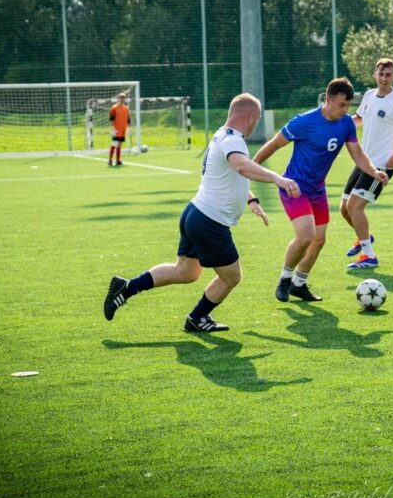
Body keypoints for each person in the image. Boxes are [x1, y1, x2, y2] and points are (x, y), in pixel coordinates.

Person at [102, 93, 301, 332]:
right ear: (250, 117)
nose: (256, 124)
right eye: (257, 119)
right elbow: (241, 166)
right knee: (231, 277)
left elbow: (228, 174)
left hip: (195, 213)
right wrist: (278, 179)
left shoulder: (222, 134)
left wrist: (251, 199)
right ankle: (197, 317)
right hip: (210, 222)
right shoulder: (233, 140)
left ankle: (127, 288)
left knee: (185, 272)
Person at [253, 77, 388, 302]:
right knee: (306, 236)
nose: (345, 110)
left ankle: (299, 284)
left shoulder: (346, 123)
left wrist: (374, 172)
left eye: (348, 105)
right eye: (342, 105)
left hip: (318, 191)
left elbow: (357, 153)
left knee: (319, 240)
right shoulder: (304, 121)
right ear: (328, 99)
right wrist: (252, 167)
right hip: (294, 188)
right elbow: (274, 144)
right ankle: (285, 278)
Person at [340, 58, 393, 269]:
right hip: (363, 162)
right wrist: (338, 123)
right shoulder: (369, 95)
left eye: (388, 75)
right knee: (344, 209)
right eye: (381, 74)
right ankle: (365, 237)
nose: (384, 78)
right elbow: (358, 119)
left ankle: (369, 256)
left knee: (354, 207)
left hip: (381, 166)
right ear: (375, 75)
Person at [108, 92, 131, 166]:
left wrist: (129, 128)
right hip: (116, 130)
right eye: (120, 97)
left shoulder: (126, 108)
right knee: (114, 144)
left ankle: (118, 161)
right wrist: (112, 128)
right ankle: (110, 160)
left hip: (123, 130)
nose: (122, 99)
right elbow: (111, 119)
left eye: (123, 98)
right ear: (118, 98)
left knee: (119, 145)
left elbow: (128, 119)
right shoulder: (114, 107)